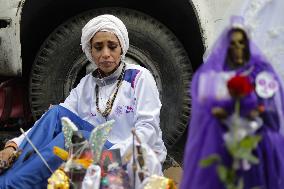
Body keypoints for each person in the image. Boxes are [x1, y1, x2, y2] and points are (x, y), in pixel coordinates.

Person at [0, 14, 166, 188]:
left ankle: (12, 185)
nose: (106, 54)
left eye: (112, 46)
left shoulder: (139, 77)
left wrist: (110, 156)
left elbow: (149, 131)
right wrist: (13, 145)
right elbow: (52, 120)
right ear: (90, 52)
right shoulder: (87, 83)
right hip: (93, 158)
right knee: (57, 114)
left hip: (129, 161)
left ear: (121, 47)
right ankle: (7, 174)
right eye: (98, 48)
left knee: (77, 139)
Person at [180, 17, 284, 189]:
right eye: (233, 44)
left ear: (248, 45)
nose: (237, 48)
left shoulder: (260, 74)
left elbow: (273, 114)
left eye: (241, 43)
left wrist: (257, 112)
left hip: (254, 143)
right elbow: (204, 110)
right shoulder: (214, 75)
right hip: (222, 142)